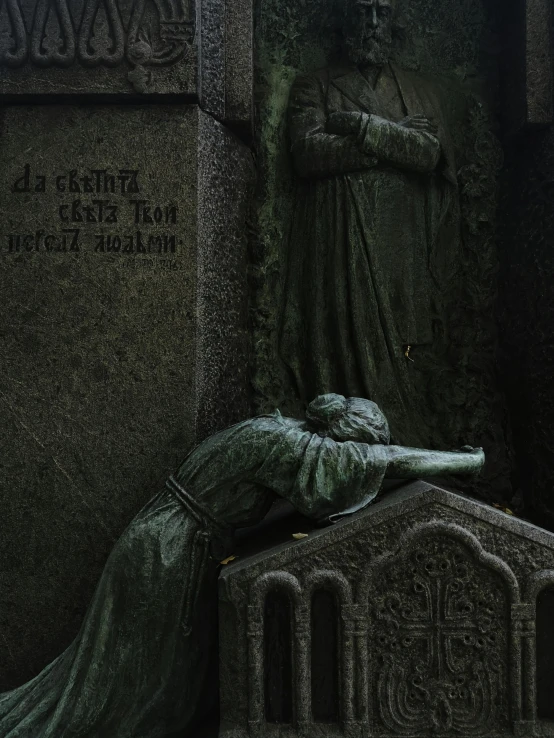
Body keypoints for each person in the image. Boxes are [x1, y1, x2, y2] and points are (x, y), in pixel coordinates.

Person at [0, 394, 484, 738]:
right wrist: (466, 463)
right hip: (167, 553)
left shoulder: (275, 428)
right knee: (128, 682)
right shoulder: (287, 445)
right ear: (345, 438)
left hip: (164, 538)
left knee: (140, 677)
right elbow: (382, 459)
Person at [279, 0, 462, 443]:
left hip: (402, 249)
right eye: (362, 12)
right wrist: (396, 135)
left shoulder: (419, 92)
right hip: (337, 247)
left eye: (381, 12)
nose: (372, 24)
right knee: (341, 362)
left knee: (405, 358)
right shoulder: (314, 86)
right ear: (343, 21)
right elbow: (308, 155)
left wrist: (361, 125)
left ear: (396, 21)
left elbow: (428, 155)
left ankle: (411, 446)